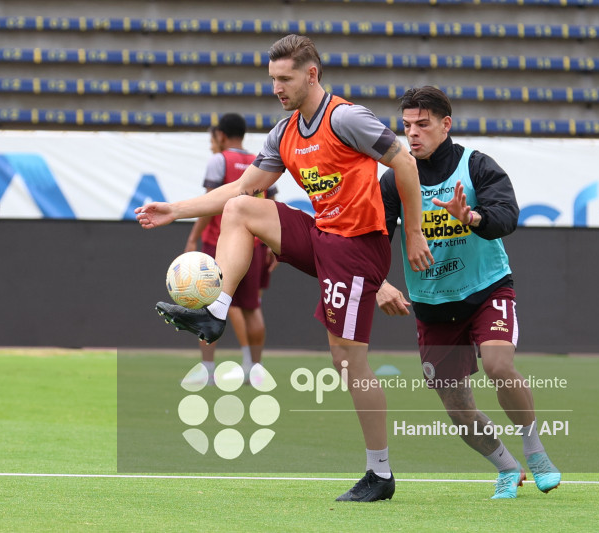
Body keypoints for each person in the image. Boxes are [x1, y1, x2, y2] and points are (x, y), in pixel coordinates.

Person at [136, 34, 432, 502]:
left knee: (347, 360)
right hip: (321, 234)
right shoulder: (284, 132)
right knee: (240, 209)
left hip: (357, 246)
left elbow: (404, 164)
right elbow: (242, 185)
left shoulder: (346, 118)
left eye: (284, 78)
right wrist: (176, 209)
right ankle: (216, 311)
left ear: (310, 74)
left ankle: (381, 474)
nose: (276, 87)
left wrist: (412, 233)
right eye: (272, 78)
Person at [376, 86, 561, 499]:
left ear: (446, 124)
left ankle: (536, 454)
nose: (413, 134)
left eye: (423, 124)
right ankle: (507, 468)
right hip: (432, 304)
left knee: (498, 364)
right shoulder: (394, 178)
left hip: (486, 288)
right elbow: (373, 240)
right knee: (456, 406)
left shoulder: (475, 165)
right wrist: (380, 284)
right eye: (407, 126)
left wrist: (472, 216)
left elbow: (507, 216)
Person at [183, 114, 277, 383]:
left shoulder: (219, 161)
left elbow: (209, 204)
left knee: (209, 304)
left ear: (221, 136)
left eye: (213, 138)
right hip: (256, 243)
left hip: (221, 243)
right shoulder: (260, 161)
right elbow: (270, 203)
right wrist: (272, 243)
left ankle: (207, 371)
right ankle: (254, 369)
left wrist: (193, 239)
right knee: (252, 307)